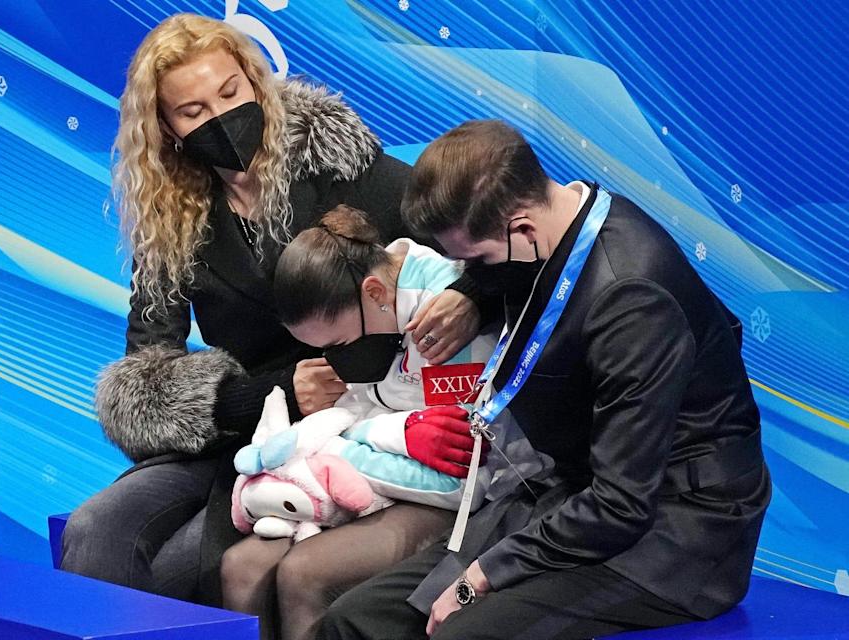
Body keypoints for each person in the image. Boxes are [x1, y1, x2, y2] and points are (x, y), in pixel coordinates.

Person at [60, 14, 484, 606]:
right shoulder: (171, 222)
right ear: (167, 130)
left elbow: (472, 249)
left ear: (257, 85)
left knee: (176, 574)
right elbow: (144, 380)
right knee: (94, 532)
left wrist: (467, 299)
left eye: (230, 94)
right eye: (193, 111)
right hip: (237, 432)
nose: (220, 117)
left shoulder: (345, 166)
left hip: (359, 432)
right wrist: (258, 396)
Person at [319, 120, 771, 640]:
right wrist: (472, 293)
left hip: (678, 526)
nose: (472, 273)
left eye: (475, 261)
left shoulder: (631, 300)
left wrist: (480, 579)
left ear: (522, 230)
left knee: (461, 632)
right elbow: (513, 276)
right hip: (577, 495)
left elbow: (621, 503)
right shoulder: (558, 220)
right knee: (356, 620)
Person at [220, 205, 540, 640]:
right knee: (241, 567)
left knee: (304, 573)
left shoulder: (446, 318)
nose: (337, 361)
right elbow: (346, 422)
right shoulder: (359, 307)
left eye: (338, 345)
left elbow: (463, 476)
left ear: (374, 293)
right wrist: (384, 436)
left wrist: (330, 450)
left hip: (453, 500)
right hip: (365, 479)